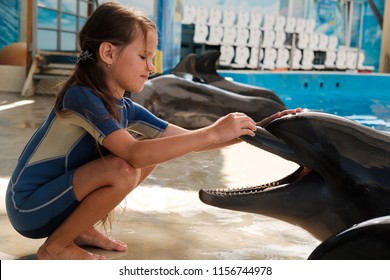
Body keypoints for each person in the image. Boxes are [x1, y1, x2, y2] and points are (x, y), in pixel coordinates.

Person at [5, 2, 301, 260]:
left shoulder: (124, 106)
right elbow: (133, 154)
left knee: (152, 154)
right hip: (29, 207)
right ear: (108, 52)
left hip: (55, 202)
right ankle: (55, 247)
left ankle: (79, 230)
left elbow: (186, 142)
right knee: (125, 166)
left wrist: (260, 128)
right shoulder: (81, 97)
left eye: (152, 57)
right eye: (144, 56)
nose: (151, 66)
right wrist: (212, 131)